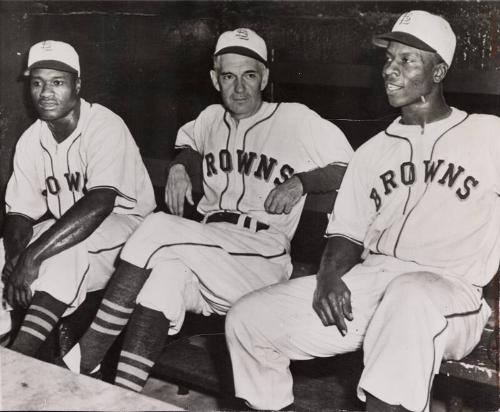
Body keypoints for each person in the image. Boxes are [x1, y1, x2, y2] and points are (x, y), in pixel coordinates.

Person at [225, 10, 499, 412]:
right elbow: (347, 233)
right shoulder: (372, 152)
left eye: (407, 60)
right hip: (373, 282)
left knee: (409, 298)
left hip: (450, 290)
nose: (391, 69)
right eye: (389, 58)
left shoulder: (487, 134)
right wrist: (330, 275)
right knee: (249, 319)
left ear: (439, 71)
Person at [60, 28, 353, 391]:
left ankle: (86, 356)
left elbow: (349, 167)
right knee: (163, 279)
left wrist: (302, 182)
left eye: (250, 75)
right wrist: (183, 165)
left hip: (262, 253)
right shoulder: (210, 118)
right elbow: (192, 144)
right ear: (215, 80)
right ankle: (123, 395)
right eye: (229, 76)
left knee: (158, 228)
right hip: (210, 248)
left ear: (265, 77)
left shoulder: (296, 119)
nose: (240, 87)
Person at [1, 40, 156, 356]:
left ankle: (19, 361)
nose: (46, 92)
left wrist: (32, 257)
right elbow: (19, 214)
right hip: (71, 231)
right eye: (37, 83)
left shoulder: (104, 125)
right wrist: (17, 254)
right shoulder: (31, 139)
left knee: (63, 251)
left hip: (131, 238)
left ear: (77, 85)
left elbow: (100, 203)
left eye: (57, 82)